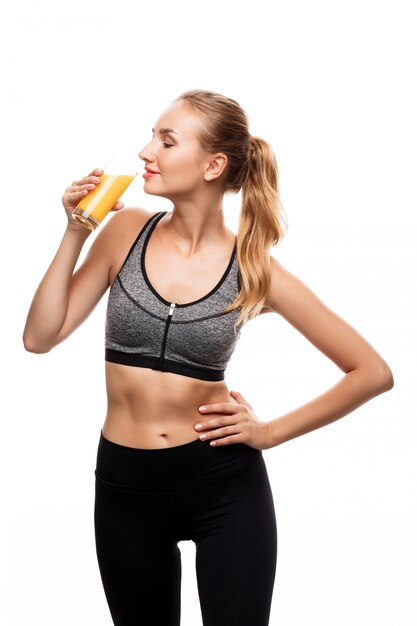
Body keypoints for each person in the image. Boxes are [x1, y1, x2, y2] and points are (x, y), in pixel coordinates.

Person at [22, 89, 394, 626]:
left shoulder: (255, 269)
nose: (146, 151)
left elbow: (371, 372)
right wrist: (76, 232)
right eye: (152, 135)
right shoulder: (125, 232)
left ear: (213, 165)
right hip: (126, 487)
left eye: (166, 140)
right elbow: (39, 337)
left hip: (222, 486)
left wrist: (268, 433)